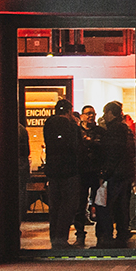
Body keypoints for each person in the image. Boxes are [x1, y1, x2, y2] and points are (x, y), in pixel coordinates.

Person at [42, 98, 83, 248]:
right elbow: (77, 148)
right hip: (69, 171)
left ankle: (54, 238)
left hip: (53, 171)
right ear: (68, 111)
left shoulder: (48, 125)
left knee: (55, 206)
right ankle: (61, 238)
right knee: (68, 205)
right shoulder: (71, 127)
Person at [96, 101, 135, 248]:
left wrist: (105, 173)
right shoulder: (124, 129)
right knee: (121, 207)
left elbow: (113, 153)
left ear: (110, 113)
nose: (104, 116)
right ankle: (121, 235)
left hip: (115, 174)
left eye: (106, 113)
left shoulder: (115, 130)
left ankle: (107, 237)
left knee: (105, 205)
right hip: (124, 173)